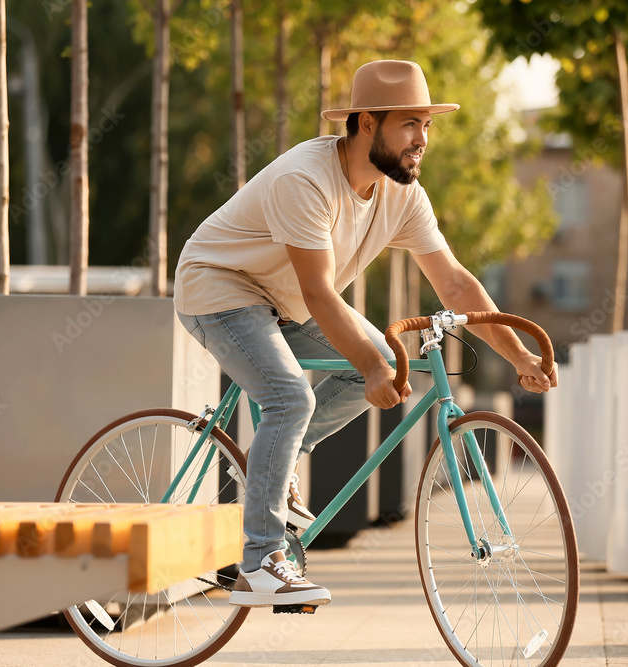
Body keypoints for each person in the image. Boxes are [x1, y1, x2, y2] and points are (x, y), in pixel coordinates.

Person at [174, 59, 557, 608]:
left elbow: (452, 282)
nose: (422, 139)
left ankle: (273, 468)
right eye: (409, 124)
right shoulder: (305, 180)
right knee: (290, 395)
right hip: (221, 287)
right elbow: (319, 292)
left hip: (283, 300)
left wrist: (519, 355)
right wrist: (374, 367)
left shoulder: (402, 193)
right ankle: (259, 564)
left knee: (383, 360)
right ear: (367, 124)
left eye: (427, 126)